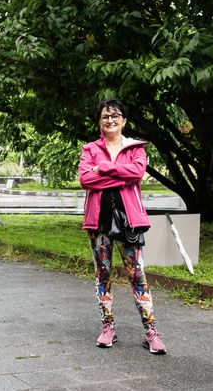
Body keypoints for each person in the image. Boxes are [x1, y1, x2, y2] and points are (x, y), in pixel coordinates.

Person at [78, 99, 166, 355]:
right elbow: (85, 178)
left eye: (115, 116)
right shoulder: (90, 149)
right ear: (99, 122)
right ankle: (108, 327)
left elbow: (136, 173)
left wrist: (104, 169)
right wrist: (120, 175)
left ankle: (151, 332)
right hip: (99, 224)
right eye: (105, 116)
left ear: (124, 121)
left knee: (137, 276)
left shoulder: (135, 148)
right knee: (102, 275)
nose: (110, 120)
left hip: (129, 224)